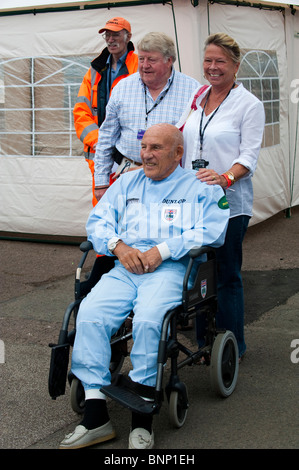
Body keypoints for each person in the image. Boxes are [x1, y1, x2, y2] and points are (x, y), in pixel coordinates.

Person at [59, 124, 230, 450]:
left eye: (156, 148)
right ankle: (96, 416)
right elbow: (98, 221)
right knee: (91, 314)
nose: (146, 155)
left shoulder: (200, 186)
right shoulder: (127, 182)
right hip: (126, 267)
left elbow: (213, 230)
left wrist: (162, 251)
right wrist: (119, 247)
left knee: (151, 320)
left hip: (171, 270)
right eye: (144, 147)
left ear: (178, 153)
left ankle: (142, 421)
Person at [176, 33, 265, 360]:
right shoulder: (199, 97)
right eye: (208, 60)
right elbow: (183, 136)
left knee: (227, 276)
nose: (213, 67)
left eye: (221, 62)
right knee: (200, 274)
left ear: (235, 66)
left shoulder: (249, 105)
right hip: (193, 203)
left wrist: (225, 177)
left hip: (229, 206)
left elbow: (249, 156)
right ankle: (203, 345)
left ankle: (231, 347)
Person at [93, 32, 200, 201]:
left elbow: (197, 141)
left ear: (169, 60)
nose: (144, 65)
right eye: (141, 59)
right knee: (125, 224)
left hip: (171, 179)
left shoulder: (192, 90)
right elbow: (106, 137)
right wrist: (100, 182)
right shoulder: (123, 87)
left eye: (151, 60)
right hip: (125, 173)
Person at [73, 17, 138, 206]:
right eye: (107, 35)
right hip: (99, 154)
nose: (110, 39)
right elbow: (81, 112)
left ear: (128, 37)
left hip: (129, 154)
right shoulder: (94, 70)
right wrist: (100, 141)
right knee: (102, 207)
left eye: (116, 34)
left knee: (131, 206)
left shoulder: (139, 66)